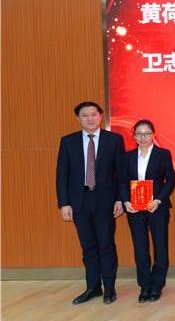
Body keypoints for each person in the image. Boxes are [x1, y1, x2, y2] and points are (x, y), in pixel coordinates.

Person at [56, 101, 125, 305]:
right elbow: (62, 175)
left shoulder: (114, 140)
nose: (90, 119)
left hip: (106, 201)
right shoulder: (68, 142)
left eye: (93, 114)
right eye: (85, 115)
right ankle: (93, 287)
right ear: (78, 118)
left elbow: (121, 173)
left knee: (106, 245)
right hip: (79, 202)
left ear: (100, 116)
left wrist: (120, 199)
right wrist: (64, 203)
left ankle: (109, 288)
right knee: (88, 247)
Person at [122, 119, 175, 302]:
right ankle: (144, 285)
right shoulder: (128, 157)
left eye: (146, 133)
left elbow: (170, 180)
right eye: (139, 134)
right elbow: (121, 182)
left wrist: (158, 200)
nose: (143, 137)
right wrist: (126, 201)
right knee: (140, 247)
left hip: (157, 208)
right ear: (134, 136)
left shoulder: (163, 154)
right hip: (135, 209)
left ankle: (157, 285)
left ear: (153, 135)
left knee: (160, 246)